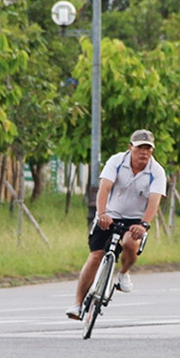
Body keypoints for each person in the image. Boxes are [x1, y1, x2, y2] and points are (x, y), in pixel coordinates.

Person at [65, 129, 167, 319]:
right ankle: (78, 304)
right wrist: (102, 213)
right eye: (139, 148)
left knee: (130, 244)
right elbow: (104, 188)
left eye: (148, 148)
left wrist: (144, 224)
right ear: (130, 148)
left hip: (135, 219)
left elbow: (154, 201)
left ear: (152, 150)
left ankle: (124, 273)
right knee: (95, 256)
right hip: (109, 215)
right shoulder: (117, 161)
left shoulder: (157, 172)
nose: (143, 152)